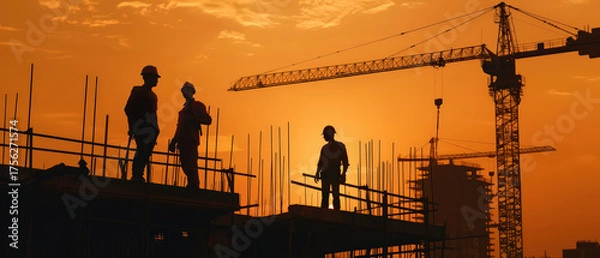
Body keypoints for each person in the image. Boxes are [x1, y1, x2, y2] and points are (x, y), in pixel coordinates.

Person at [168, 81, 212, 189]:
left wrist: (196, 119)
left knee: (191, 163)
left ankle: (194, 184)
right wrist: (174, 141)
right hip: (182, 141)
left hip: (191, 140)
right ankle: (191, 183)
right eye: (184, 90)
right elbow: (179, 127)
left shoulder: (197, 106)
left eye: (187, 90)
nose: (185, 92)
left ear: (192, 92)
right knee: (185, 164)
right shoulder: (183, 111)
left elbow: (208, 120)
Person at [124, 65, 161, 182]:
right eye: (154, 77)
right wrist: (132, 127)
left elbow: (154, 114)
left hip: (151, 129)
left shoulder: (153, 96)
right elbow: (129, 109)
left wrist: (156, 129)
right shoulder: (137, 91)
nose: (156, 80)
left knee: (146, 153)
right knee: (142, 149)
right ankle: (136, 174)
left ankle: (139, 173)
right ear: (146, 77)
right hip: (141, 127)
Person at [314, 125, 349, 210]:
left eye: (325, 135)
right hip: (331, 174)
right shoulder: (332, 147)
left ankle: (329, 212)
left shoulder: (334, 147)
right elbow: (321, 163)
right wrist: (317, 173)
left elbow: (345, 162)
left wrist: (317, 173)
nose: (324, 137)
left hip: (331, 174)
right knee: (332, 195)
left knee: (330, 195)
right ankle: (331, 212)